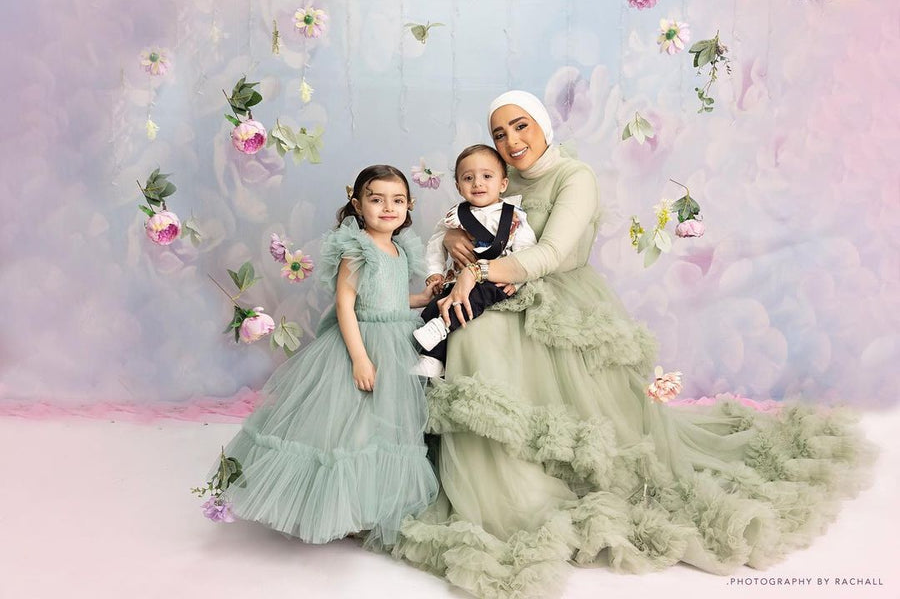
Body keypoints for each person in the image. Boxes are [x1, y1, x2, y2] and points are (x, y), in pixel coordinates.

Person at [391, 92, 874, 598]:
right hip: (499, 288)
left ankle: (524, 489)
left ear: (543, 126)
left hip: (557, 294)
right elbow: (469, 218)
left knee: (478, 332)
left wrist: (477, 270)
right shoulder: (493, 176)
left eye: (521, 126)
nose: (511, 141)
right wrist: (453, 240)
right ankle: (486, 480)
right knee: (467, 331)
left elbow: (551, 253)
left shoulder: (575, 177)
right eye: (499, 133)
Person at [212, 165, 439, 546]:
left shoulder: (401, 250)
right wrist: (360, 358)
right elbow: (346, 305)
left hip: (395, 342)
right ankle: (336, 508)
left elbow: (387, 296)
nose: (388, 208)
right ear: (358, 205)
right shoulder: (357, 249)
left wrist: (419, 299)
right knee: (347, 428)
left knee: (381, 427)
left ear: (409, 205)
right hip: (360, 342)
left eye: (397, 200)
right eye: (377, 199)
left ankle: (367, 503)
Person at [412, 144, 537, 378]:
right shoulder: (455, 216)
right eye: (468, 178)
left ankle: (442, 326)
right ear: (458, 187)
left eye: (487, 176)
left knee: (474, 297)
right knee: (434, 306)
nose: (477, 183)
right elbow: (436, 244)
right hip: (459, 280)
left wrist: (517, 280)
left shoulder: (513, 216)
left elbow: (526, 251)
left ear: (503, 184)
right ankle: (432, 359)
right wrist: (435, 272)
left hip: (495, 279)